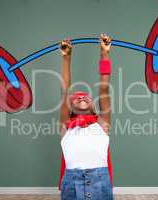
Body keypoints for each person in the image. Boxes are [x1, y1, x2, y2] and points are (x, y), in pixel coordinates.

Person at [58, 34, 113, 200]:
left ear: (94, 107)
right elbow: (65, 91)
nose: (81, 97)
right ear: (70, 107)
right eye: (76, 97)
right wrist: (66, 58)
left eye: (85, 96)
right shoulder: (66, 126)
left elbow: (103, 88)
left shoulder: (102, 124)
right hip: (71, 183)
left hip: (100, 182)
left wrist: (104, 54)